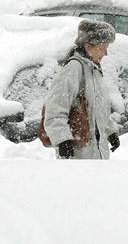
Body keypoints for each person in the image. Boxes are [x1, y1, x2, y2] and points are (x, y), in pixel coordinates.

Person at [44, 19, 120, 159]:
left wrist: (110, 131)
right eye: (103, 47)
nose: (106, 53)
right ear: (88, 46)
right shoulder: (74, 68)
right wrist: (62, 140)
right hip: (79, 153)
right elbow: (55, 108)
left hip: (97, 152)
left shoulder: (95, 70)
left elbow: (97, 109)